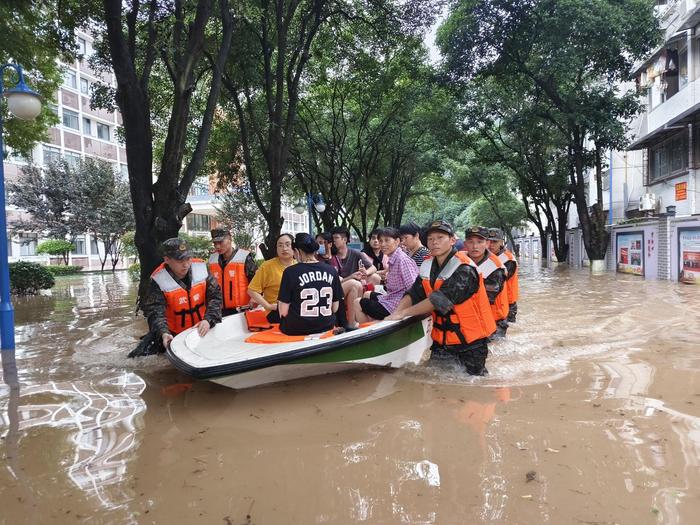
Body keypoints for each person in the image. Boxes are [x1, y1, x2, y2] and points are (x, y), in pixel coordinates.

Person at [386, 220, 495, 375]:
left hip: (470, 344)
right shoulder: (427, 264)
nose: (434, 242)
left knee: (473, 388)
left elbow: (439, 300)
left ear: (452, 240)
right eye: (430, 239)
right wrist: (395, 314)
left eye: (440, 237)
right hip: (441, 341)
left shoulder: (465, 268)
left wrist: (403, 314)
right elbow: (414, 292)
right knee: (435, 382)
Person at [142, 238, 223, 351]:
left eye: (188, 258)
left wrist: (209, 319)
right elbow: (155, 312)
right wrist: (164, 333)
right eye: (180, 261)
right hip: (173, 334)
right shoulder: (158, 280)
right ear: (167, 260)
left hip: (203, 327)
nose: (186, 265)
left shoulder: (201, 268)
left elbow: (216, 296)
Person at [278, 233, 343, 335]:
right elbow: (335, 308)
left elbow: (283, 312)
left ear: (296, 251)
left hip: (295, 329)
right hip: (326, 325)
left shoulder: (290, 272)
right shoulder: (331, 270)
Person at [353, 227, 418, 322]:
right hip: (392, 298)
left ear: (397, 241)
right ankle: (373, 323)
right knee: (367, 294)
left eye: (387, 240)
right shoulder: (393, 258)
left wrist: (401, 312)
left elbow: (413, 289)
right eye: (381, 241)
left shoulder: (402, 260)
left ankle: (369, 333)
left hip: (396, 305)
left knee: (357, 302)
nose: (382, 244)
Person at [464, 226, 509, 338]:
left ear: (486, 243)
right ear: (465, 244)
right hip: (472, 320)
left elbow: (485, 300)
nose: (475, 246)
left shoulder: (495, 268)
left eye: (480, 242)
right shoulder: (460, 260)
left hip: (494, 320)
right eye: (470, 242)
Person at [330, 226, 377, 329]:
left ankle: (355, 321)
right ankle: (352, 323)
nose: (333, 241)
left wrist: (365, 272)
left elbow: (373, 268)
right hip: (336, 289)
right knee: (354, 284)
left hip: (353, 289)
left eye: (336, 238)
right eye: (332, 238)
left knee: (364, 282)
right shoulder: (331, 256)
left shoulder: (356, 253)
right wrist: (351, 277)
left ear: (345, 239)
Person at [247, 233, 297, 323]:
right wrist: (268, 306)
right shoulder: (267, 266)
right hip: (276, 311)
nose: (284, 248)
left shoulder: (299, 265)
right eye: (280, 245)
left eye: (287, 244)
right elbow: (252, 290)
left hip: (297, 309)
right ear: (276, 249)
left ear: (294, 247)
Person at [208, 228, 257, 316]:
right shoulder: (212, 260)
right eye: (215, 243)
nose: (217, 246)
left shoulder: (244, 257)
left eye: (221, 242)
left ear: (230, 239)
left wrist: (254, 299)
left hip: (242, 310)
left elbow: (257, 281)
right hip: (218, 311)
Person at [488, 228, 519, 323]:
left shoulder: (508, 259)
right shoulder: (489, 256)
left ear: (501, 242)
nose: (491, 245)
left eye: (494, 242)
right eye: (488, 241)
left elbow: (497, 282)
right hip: (497, 303)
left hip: (508, 303)